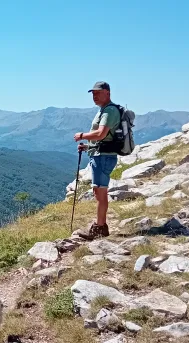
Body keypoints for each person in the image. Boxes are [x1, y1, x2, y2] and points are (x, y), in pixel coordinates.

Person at [73, 81, 121, 239]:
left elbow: (100, 134)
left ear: (107, 93)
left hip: (104, 157)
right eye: (93, 93)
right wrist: (88, 147)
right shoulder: (103, 110)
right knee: (98, 191)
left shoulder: (109, 111)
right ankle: (100, 226)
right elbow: (104, 139)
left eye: (98, 93)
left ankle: (100, 228)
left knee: (101, 193)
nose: (94, 96)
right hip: (100, 154)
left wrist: (82, 136)